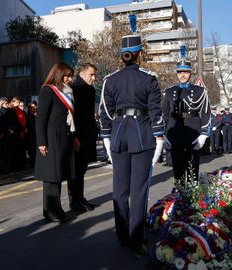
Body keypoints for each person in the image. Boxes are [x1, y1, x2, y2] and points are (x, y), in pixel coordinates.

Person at [99, 34, 164, 256]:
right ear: (140, 54)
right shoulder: (149, 78)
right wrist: (159, 137)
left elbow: (105, 112)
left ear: (122, 55)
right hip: (142, 135)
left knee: (119, 191)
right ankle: (136, 238)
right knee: (138, 191)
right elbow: (155, 110)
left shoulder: (110, 79)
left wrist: (107, 137)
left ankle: (122, 236)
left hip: (118, 135)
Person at [35, 62, 77, 223]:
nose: (69, 79)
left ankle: (56, 208)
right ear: (58, 74)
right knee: (51, 177)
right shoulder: (48, 90)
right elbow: (41, 119)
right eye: (66, 76)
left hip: (64, 137)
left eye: (70, 76)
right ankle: (50, 211)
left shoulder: (66, 92)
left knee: (58, 175)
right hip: (51, 138)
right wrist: (41, 142)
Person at [162, 60, 211, 182]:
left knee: (192, 172)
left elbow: (206, 112)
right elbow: (165, 115)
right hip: (175, 134)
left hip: (193, 134)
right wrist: (164, 135)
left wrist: (204, 134)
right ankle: (180, 198)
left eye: (185, 72)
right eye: (179, 72)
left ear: (190, 73)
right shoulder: (169, 92)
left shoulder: (200, 91)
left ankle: (192, 199)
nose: (182, 75)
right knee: (178, 173)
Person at [68, 63, 99, 212]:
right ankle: (74, 201)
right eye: (91, 74)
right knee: (76, 170)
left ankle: (80, 198)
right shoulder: (75, 89)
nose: (94, 78)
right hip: (78, 136)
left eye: (94, 75)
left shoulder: (89, 89)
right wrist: (74, 136)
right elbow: (73, 116)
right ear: (81, 74)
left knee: (82, 169)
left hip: (87, 135)